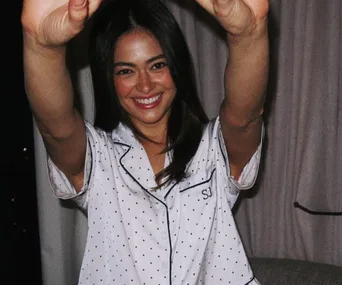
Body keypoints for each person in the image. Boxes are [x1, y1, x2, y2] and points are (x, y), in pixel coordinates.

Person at [21, 0, 269, 284]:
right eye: (126, 71)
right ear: (109, 79)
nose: (145, 85)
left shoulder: (213, 149)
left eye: (157, 65)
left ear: (177, 66)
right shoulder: (100, 159)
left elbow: (245, 118)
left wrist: (249, 34)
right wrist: (42, 47)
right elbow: (57, 129)